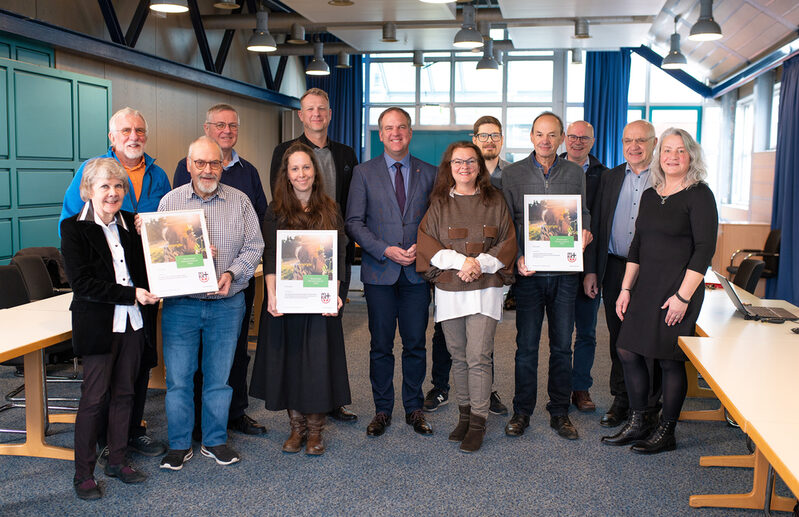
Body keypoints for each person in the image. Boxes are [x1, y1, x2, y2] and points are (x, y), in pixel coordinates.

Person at [59, 107, 169, 459]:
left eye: (139, 130)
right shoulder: (87, 180)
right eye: (125, 130)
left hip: (141, 302)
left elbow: (167, 230)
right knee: (99, 389)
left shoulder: (158, 176)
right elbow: (76, 238)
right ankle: (97, 452)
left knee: (133, 376)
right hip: (106, 305)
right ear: (112, 137)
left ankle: (128, 438)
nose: (133, 136)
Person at [602, 128, 717, 453]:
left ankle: (667, 430)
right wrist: (625, 289)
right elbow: (638, 245)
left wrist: (682, 297)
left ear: (690, 155)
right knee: (628, 349)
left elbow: (704, 250)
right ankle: (641, 421)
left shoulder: (699, 195)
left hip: (679, 289)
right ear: (659, 154)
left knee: (668, 360)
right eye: (668, 150)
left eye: (680, 151)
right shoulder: (652, 195)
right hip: (646, 286)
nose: (672, 156)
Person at [158, 137, 263, 470]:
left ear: (223, 165)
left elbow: (254, 247)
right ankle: (178, 444)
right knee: (178, 380)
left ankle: (215, 441)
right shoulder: (170, 203)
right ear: (188, 165)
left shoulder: (241, 201)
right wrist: (193, 255)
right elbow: (158, 256)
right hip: (181, 306)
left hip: (226, 304)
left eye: (214, 163)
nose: (207, 170)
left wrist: (232, 272)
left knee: (219, 379)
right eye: (200, 163)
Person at [250, 143, 351, 456]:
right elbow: (269, 254)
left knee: (318, 364)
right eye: (294, 168)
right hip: (288, 302)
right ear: (287, 174)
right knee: (290, 362)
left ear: (314, 172)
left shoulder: (330, 209)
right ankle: (296, 428)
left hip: (320, 300)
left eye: (306, 167)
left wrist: (335, 294)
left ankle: (316, 432)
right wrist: (272, 296)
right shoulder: (275, 209)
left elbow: (340, 255)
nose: (301, 174)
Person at [173, 104, 268, 437]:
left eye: (233, 125)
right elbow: (173, 229)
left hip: (235, 284)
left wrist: (236, 270)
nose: (227, 130)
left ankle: (233, 415)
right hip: (188, 293)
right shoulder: (177, 186)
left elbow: (257, 230)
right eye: (220, 125)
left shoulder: (248, 176)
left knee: (235, 353)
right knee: (193, 362)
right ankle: (196, 423)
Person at [416, 142, 516, 452]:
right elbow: (426, 242)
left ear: (479, 166)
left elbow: (508, 241)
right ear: (449, 166)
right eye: (458, 161)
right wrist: (462, 263)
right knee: (458, 357)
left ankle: (478, 422)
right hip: (451, 290)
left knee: (478, 357)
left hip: (485, 290)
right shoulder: (439, 203)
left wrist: (480, 264)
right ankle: (463, 414)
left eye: (471, 161)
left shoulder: (495, 200)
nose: (465, 167)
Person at [345, 107, 437, 437]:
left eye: (401, 127)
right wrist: (384, 248)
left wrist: (422, 248)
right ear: (380, 135)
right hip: (379, 272)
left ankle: (414, 408)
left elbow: (437, 221)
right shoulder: (363, 173)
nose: (395, 133)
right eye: (388, 128)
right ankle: (382, 409)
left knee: (415, 344)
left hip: (416, 273)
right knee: (380, 345)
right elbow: (354, 222)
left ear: (409, 133)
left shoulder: (431, 172)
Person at [269, 88, 359, 423]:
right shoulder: (284, 151)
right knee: (298, 337)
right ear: (301, 115)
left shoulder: (347, 153)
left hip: (335, 251)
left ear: (330, 113)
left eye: (323, 108)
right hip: (295, 260)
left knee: (327, 331)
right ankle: (302, 406)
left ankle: (330, 400)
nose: (317, 114)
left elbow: (353, 202)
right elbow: (279, 202)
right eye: (310, 109)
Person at [501, 111, 592, 441]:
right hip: (529, 274)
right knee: (525, 347)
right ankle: (521, 411)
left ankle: (559, 412)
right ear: (530, 136)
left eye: (552, 134)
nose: (545, 140)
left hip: (565, 273)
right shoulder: (511, 174)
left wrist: (586, 231)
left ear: (562, 137)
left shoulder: (574, 172)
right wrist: (517, 256)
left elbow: (582, 213)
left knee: (561, 347)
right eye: (540, 134)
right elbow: (506, 224)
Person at [583, 120, 662, 428]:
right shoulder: (610, 177)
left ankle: (650, 404)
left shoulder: (666, 178)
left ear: (654, 143)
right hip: (615, 266)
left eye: (641, 140)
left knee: (650, 338)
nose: (634, 146)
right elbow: (598, 225)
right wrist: (591, 271)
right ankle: (622, 398)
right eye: (628, 140)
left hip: (653, 271)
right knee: (619, 336)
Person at [560, 120, 608, 412]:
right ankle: (560, 388)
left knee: (587, 332)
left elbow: (598, 225)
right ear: (565, 139)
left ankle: (581, 388)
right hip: (556, 265)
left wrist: (591, 269)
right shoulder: (550, 169)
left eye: (584, 138)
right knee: (561, 335)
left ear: (592, 141)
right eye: (573, 136)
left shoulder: (606, 176)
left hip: (590, 265)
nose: (577, 142)